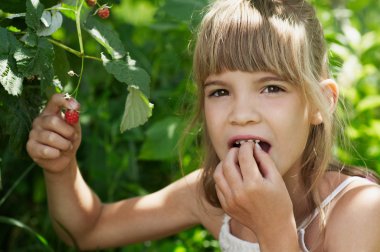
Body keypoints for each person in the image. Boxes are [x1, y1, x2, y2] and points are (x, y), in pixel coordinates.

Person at [26, 0, 380, 251]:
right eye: (220, 91)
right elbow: (88, 230)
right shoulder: (212, 196)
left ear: (322, 104)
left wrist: (274, 228)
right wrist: (60, 168)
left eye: (272, 88)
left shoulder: (360, 211)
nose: (241, 114)